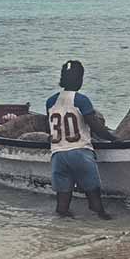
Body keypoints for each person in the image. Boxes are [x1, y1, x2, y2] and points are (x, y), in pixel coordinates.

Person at [46, 60, 118, 218]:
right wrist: (114, 139)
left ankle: (64, 229)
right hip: (80, 152)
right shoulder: (81, 100)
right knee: (94, 198)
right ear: (80, 79)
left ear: (62, 79)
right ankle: (103, 219)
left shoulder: (50, 101)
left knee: (62, 205)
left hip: (58, 154)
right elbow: (96, 127)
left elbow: (49, 127)